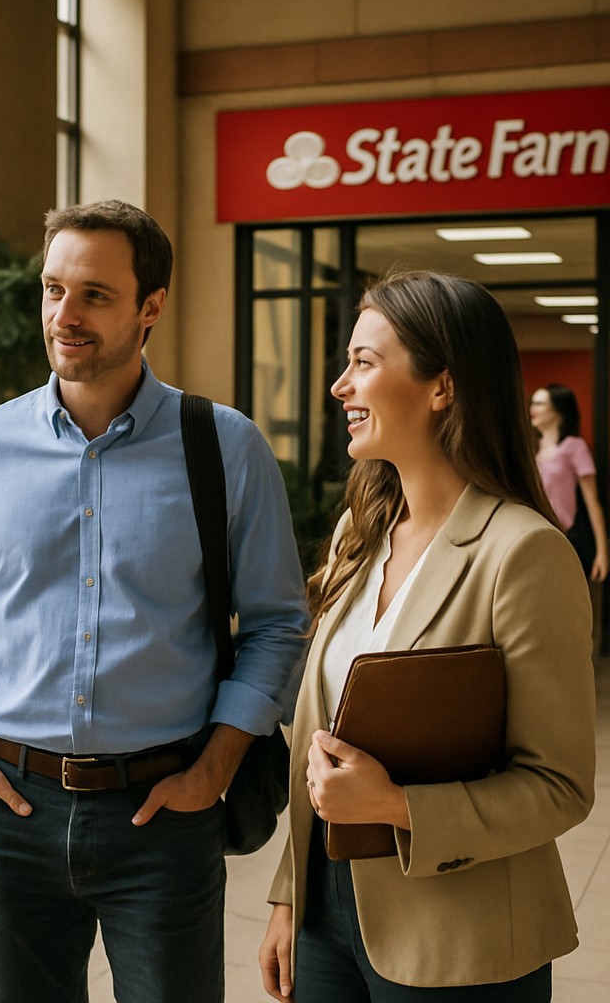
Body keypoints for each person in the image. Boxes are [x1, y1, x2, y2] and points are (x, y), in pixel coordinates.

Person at [0, 199, 308, 1003]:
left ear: (150, 306)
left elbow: (275, 624)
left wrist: (214, 769)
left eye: (94, 294)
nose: (65, 314)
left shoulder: (224, 446)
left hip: (163, 810)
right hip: (11, 806)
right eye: (54, 289)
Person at [258, 271, 596, 1002]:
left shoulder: (524, 553)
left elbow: (561, 787)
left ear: (442, 387)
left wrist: (398, 808)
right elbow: (320, 737)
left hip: (461, 937)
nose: (340, 386)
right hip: (327, 912)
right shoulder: (361, 531)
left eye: (364, 362)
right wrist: (291, 896)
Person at [531, 382, 608, 582]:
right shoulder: (530, 451)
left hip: (567, 541)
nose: (532, 409)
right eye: (532, 403)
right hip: (536, 541)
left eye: (539, 404)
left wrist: (602, 552)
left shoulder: (574, 447)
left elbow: (593, 502)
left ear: (557, 411)